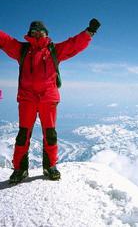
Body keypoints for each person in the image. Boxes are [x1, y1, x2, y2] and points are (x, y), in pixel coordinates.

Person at [0, 18, 101, 183]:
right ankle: (20, 169)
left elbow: (73, 44)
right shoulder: (22, 50)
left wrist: (89, 32)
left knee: (50, 134)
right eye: (34, 31)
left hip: (48, 98)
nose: (37, 34)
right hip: (27, 99)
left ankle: (50, 166)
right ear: (29, 34)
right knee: (23, 134)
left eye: (40, 31)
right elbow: (5, 40)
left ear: (46, 33)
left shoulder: (54, 50)